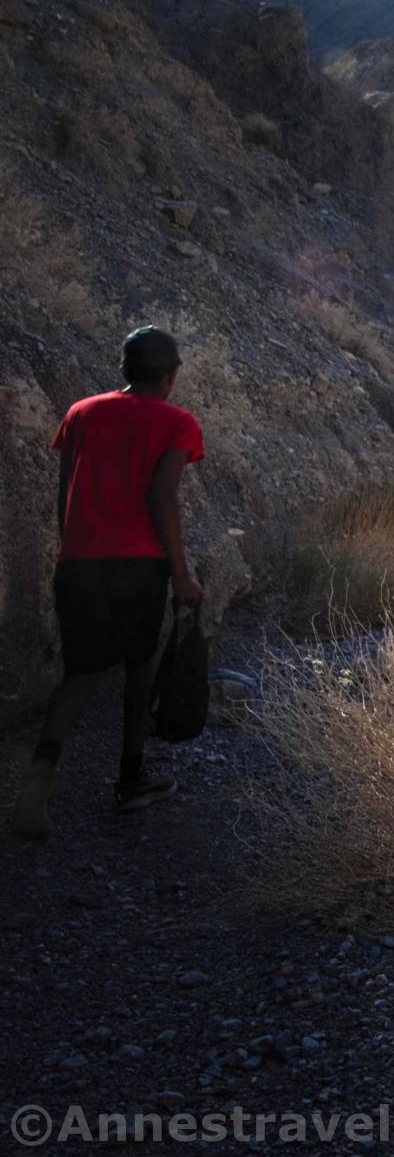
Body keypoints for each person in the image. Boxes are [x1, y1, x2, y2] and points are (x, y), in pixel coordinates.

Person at [9, 327, 204, 840]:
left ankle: (36, 785)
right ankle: (130, 780)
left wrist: (71, 548)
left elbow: (64, 491)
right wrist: (182, 573)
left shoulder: (81, 412)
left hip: (79, 560)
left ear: (123, 369)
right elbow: (163, 501)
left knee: (78, 676)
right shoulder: (177, 422)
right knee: (139, 671)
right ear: (170, 376)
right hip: (139, 566)